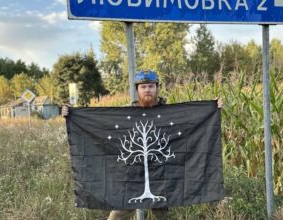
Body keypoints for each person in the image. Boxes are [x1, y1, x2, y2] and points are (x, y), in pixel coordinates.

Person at [62, 70, 223, 220]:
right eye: (143, 87)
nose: (147, 90)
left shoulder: (169, 113)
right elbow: (99, 124)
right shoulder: (126, 114)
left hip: (161, 173)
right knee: (120, 212)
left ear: (157, 88)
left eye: (151, 86)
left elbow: (190, 121)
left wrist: (212, 107)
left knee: (161, 212)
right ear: (137, 90)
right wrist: (72, 114)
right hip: (131, 173)